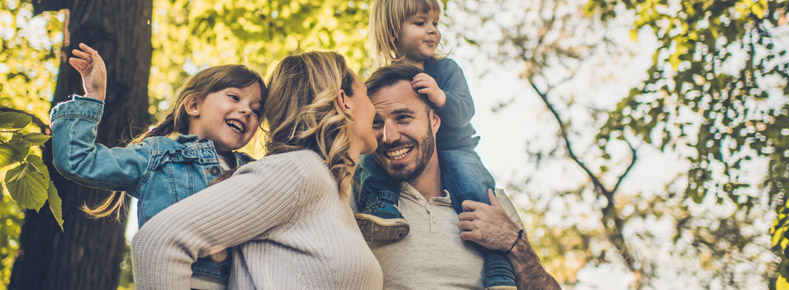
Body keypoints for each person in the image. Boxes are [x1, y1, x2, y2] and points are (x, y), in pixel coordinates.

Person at [131, 51, 383, 289]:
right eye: (365, 93)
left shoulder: (333, 193)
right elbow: (158, 241)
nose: (375, 108)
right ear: (344, 101)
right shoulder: (299, 172)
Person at [50, 43, 266, 290]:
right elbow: (77, 160)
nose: (246, 110)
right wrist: (94, 96)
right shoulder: (158, 155)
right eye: (235, 97)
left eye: (256, 110)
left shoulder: (254, 171)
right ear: (194, 105)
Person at [355, 0, 515, 288]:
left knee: (474, 187)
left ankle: (497, 264)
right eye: (420, 23)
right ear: (393, 32)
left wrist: (441, 97)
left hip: (455, 148)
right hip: (401, 176)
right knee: (368, 160)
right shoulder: (383, 82)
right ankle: (381, 206)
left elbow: (466, 110)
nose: (432, 31)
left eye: (435, 24)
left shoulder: (445, 70)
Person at [357, 64, 561, 290]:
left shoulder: (490, 202)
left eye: (403, 118)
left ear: (434, 121)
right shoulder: (359, 205)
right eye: (376, 123)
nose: (389, 136)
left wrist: (514, 242)